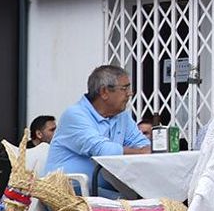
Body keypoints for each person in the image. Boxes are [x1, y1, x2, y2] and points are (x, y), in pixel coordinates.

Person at [46, 65, 150, 198]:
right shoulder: (75, 115)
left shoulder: (122, 116)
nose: (130, 93)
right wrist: (141, 152)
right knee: (132, 207)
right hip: (68, 192)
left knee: (153, 199)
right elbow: (102, 150)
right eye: (124, 88)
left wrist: (145, 150)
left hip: (103, 188)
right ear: (104, 92)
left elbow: (142, 144)